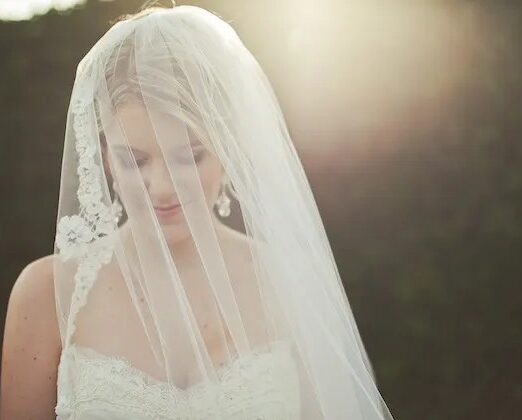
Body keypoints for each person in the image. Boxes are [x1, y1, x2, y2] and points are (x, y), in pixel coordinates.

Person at [1, 5, 394, 419]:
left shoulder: (285, 280)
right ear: (105, 158)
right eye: (135, 159)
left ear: (227, 150)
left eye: (190, 156)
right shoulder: (48, 294)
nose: (163, 187)